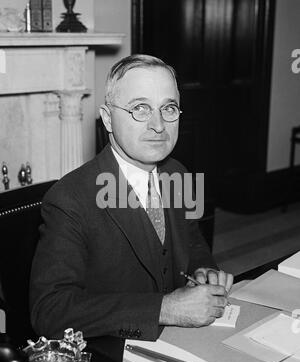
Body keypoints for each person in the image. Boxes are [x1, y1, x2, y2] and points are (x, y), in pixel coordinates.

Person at [30, 54, 233, 341]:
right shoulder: (68, 198)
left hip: (183, 342)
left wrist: (204, 270)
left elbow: (192, 240)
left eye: (169, 108)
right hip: (110, 357)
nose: (159, 125)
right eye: (141, 108)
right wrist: (165, 309)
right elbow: (49, 312)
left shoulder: (180, 173)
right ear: (108, 118)